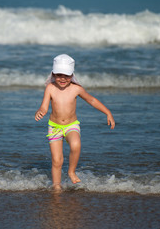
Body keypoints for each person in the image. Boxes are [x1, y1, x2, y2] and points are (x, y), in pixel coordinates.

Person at [35, 54, 115, 191]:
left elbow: (92, 100)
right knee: (57, 160)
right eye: (59, 75)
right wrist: (41, 111)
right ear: (53, 74)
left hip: (71, 125)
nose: (62, 79)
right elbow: (44, 106)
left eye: (66, 75)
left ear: (72, 75)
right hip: (54, 127)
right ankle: (56, 186)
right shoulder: (50, 88)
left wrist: (108, 112)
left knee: (76, 144)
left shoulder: (76, 89)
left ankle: (71, 171)